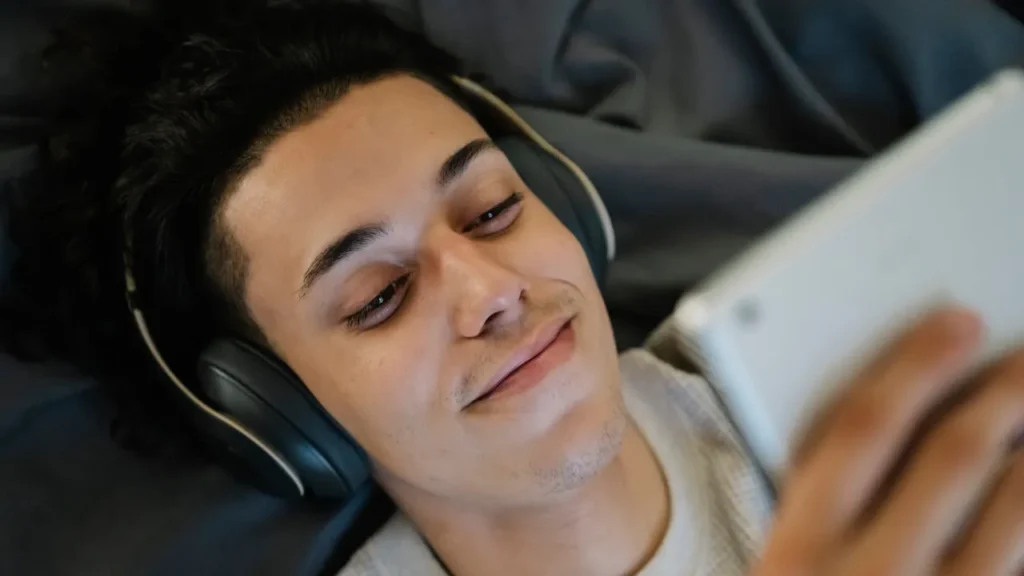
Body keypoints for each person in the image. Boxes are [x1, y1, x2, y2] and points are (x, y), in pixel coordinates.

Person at [2, 1, 1022, 575]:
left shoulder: (836, 387)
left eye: (491, 210)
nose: (491, 288)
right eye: (376, 297)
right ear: (283, 417)